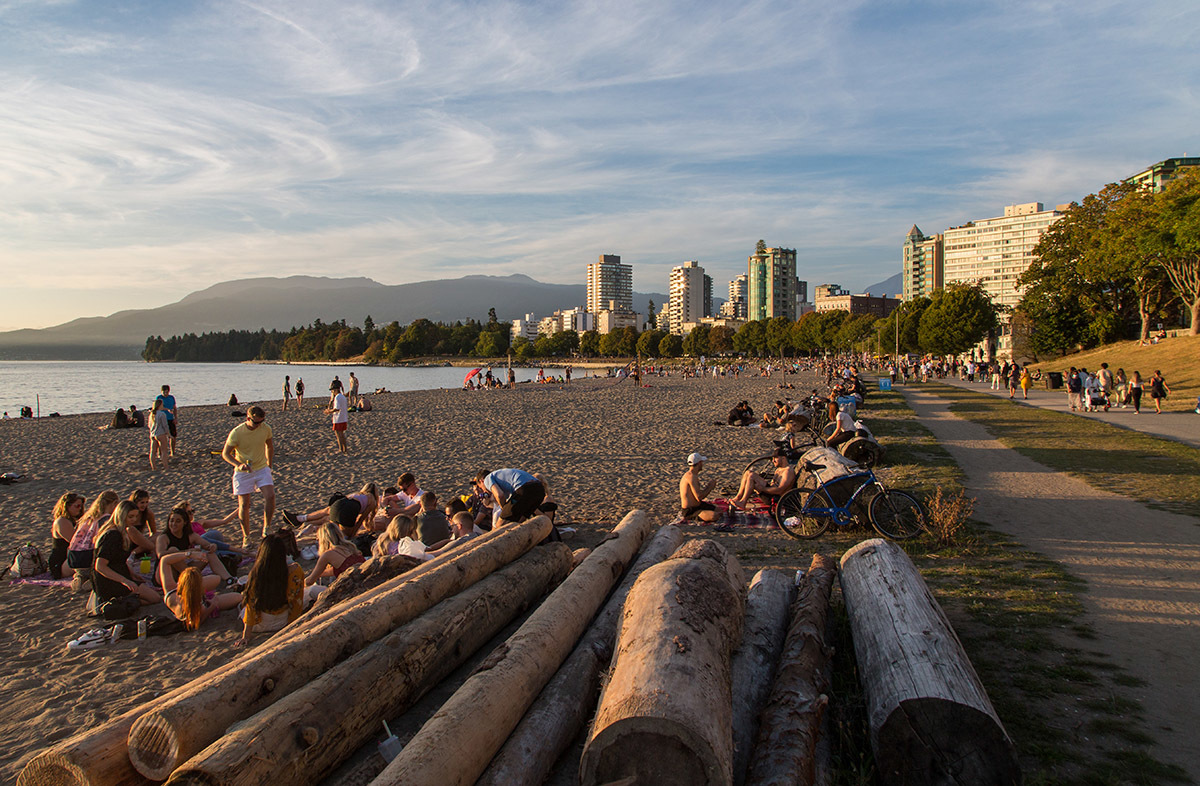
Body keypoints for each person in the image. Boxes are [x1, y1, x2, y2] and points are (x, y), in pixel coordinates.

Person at [237, 534, 305, 647]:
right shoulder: (295, 571)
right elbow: (297, 601)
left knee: (242, 608)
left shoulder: (256, 574)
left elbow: (251, 607)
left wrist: (246, 636)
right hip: (284, 620)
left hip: (260, 624)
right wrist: (292, 625)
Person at [222, 405, 276, 547]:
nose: (259, 425)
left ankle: (267, 527)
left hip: (261, 468)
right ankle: (246, 536)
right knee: (245, 504)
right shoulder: (237, 432)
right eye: (256, 422)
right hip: (243, 471)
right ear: (248, 418)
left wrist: (269, 464)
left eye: (262, 421)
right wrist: (238, 464)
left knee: (270, 496)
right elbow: (225, 454)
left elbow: (269, 445)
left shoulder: (265, 428)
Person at [92, 501, 162, 607]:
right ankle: (119, 603)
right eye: (130, 517)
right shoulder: (113, 535)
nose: (134, 520)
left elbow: (118, 559)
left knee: (153, 596)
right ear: (122, 516)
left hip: (120, 574)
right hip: (110, 580)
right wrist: (125, 581)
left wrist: (132, 575)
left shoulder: (121, 532)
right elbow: (100, 566)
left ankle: (125, 601)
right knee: (154, 598)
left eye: (136, 516)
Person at [156, 506, 236, 588]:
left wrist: (212, 546)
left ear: (185, 523)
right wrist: (188, 552)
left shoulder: (190, 535)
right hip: (166, 574)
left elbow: (207, 545)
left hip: (184, 571)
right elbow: (161, 555)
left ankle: (229, 579)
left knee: (209, 554)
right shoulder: (164, 537)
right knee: (173, 551)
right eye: (171, 521)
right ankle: (193, 579)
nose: (173, 524)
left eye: (178, 521)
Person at [158, 557, 242, 631]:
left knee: (216, 579)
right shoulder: (197, 605)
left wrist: (189, 554)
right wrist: (212, 605)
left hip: (192, 599)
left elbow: (164, 560)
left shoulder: (170, 589)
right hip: (206, 604)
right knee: (238, 597)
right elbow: (196, 624)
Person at [67, 491, 119, 585]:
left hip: (74, 558)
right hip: (89, 559)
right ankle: (92, 580)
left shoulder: (88, 517)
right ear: (114, 504)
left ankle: (80, 577)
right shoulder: (106, 519)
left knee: (83, 572)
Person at [473, 468, 546, 526]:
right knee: (517, 522)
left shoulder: (487, 479)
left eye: (481, 488)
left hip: (524, 488)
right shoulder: (501, 478)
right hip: (540, 489)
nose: (484, 491)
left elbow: (499, 495)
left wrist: (503, 510)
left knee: (500, 525)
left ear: (481, 481)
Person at [304, 524, 365, 590]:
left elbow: (310, 581)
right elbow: (344, 566)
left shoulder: (327, 554)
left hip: (352, 587)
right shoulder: (350, 546)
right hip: (364, 579)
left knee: (312, 590)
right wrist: (320, 573)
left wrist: (303, 582)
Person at [730, 449, 796, 509]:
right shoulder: (778, 469)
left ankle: (743, 502)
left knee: (751, 475)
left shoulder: (788, 471)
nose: (773, 461)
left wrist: (762, 488)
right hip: (770, 493)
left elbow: (780, 490)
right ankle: (738, 497)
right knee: (748, 473)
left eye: (775, 458)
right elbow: (772, 484)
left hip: (776, 498)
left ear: (783, 458)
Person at [49, 492, 85, 580]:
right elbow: (77, 543)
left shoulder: (70, 521)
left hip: (68, 558)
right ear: (67, 506)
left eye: (81, 506)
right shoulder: (62, 522)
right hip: (60, 564)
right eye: (77, 506)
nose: (80, 509)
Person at [679, 452, 719, 522]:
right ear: (699, 463)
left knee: (720, 511)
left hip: (698, 505)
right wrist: (710, 487)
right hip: (691, 510)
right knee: (714, 516)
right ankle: (695, 517)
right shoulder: (690, 477)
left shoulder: (693, 475)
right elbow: (699, 497)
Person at [155, 384, 178, 457]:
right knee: (161, 436)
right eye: (164, 392)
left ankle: (172, 452)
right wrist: (167, 409)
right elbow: (158, 408)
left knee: (173, 436)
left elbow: (174, 408)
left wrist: (175, 417)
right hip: (162, 419)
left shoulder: (171, 398)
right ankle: (160, 453)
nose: (166, 394)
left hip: (170, 418)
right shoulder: (159, 398)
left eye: (167, 392)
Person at [324, 387, 349, 454]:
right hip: (343, 417)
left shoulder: (337, 397)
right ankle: (345, 448)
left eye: (332, 390)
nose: (332, 392)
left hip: (338, 418)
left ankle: (341, 449)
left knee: (338, 434)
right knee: (342, 434)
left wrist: (329, 411)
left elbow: (337, 409)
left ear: (336, 390)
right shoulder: (343, 397)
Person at [149, 399, 170, 470]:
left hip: (153, 434)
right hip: (160, 433)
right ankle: (166, 466)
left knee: (153, 451)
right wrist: (168, 433)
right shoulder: (162, 414)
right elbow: (165, 425)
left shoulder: (151, 414)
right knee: (164, 451)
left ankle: (153, 467)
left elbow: (149, 425)